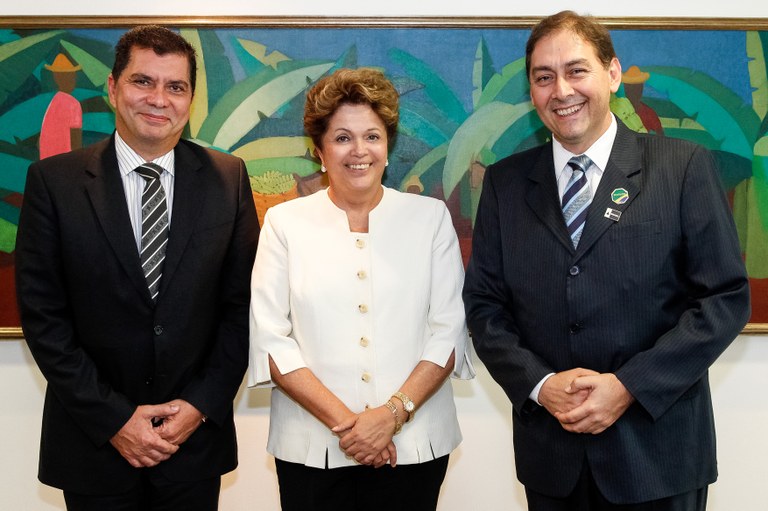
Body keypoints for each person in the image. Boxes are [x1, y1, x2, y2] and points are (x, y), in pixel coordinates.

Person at [463, 10, 750, 511]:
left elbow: (724, 298)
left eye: (576, 70)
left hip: (658, 455)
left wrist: (628, 387)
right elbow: (485, 306)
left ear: (612, 73)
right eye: (544, 77)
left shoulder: (682, 167)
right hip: (552, 456)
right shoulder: (505, 184)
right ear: (532, 91)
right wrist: (541, 385)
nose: (561, 91)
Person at [16, 25, 259, 510]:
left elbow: (243, 309)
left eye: (176, 86)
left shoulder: (228, 178)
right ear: (113, 88)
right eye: (142, 81)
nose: (158, 99)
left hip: (192, 445)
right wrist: (115, 420)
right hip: (93, 448)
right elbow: (45, 320)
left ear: (190, 99)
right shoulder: (54, 182)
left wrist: (198, 407)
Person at [248, 67, 474, 511]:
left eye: (372, 136)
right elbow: (272, 340)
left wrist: (391, 415)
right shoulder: (284, 223)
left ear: (387, 147)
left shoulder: (430, 219)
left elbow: (448, 331)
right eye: (342, 138)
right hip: (311, 448)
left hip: (414, 446)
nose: (359, 151)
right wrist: (353, 428)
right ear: (319, 151)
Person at [39, 52, 83, 159]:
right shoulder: (73, 104)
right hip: (65, 163)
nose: (74, 81)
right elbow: (76, 143)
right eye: (72, 77)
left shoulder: (55, 101)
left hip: (47, 163)